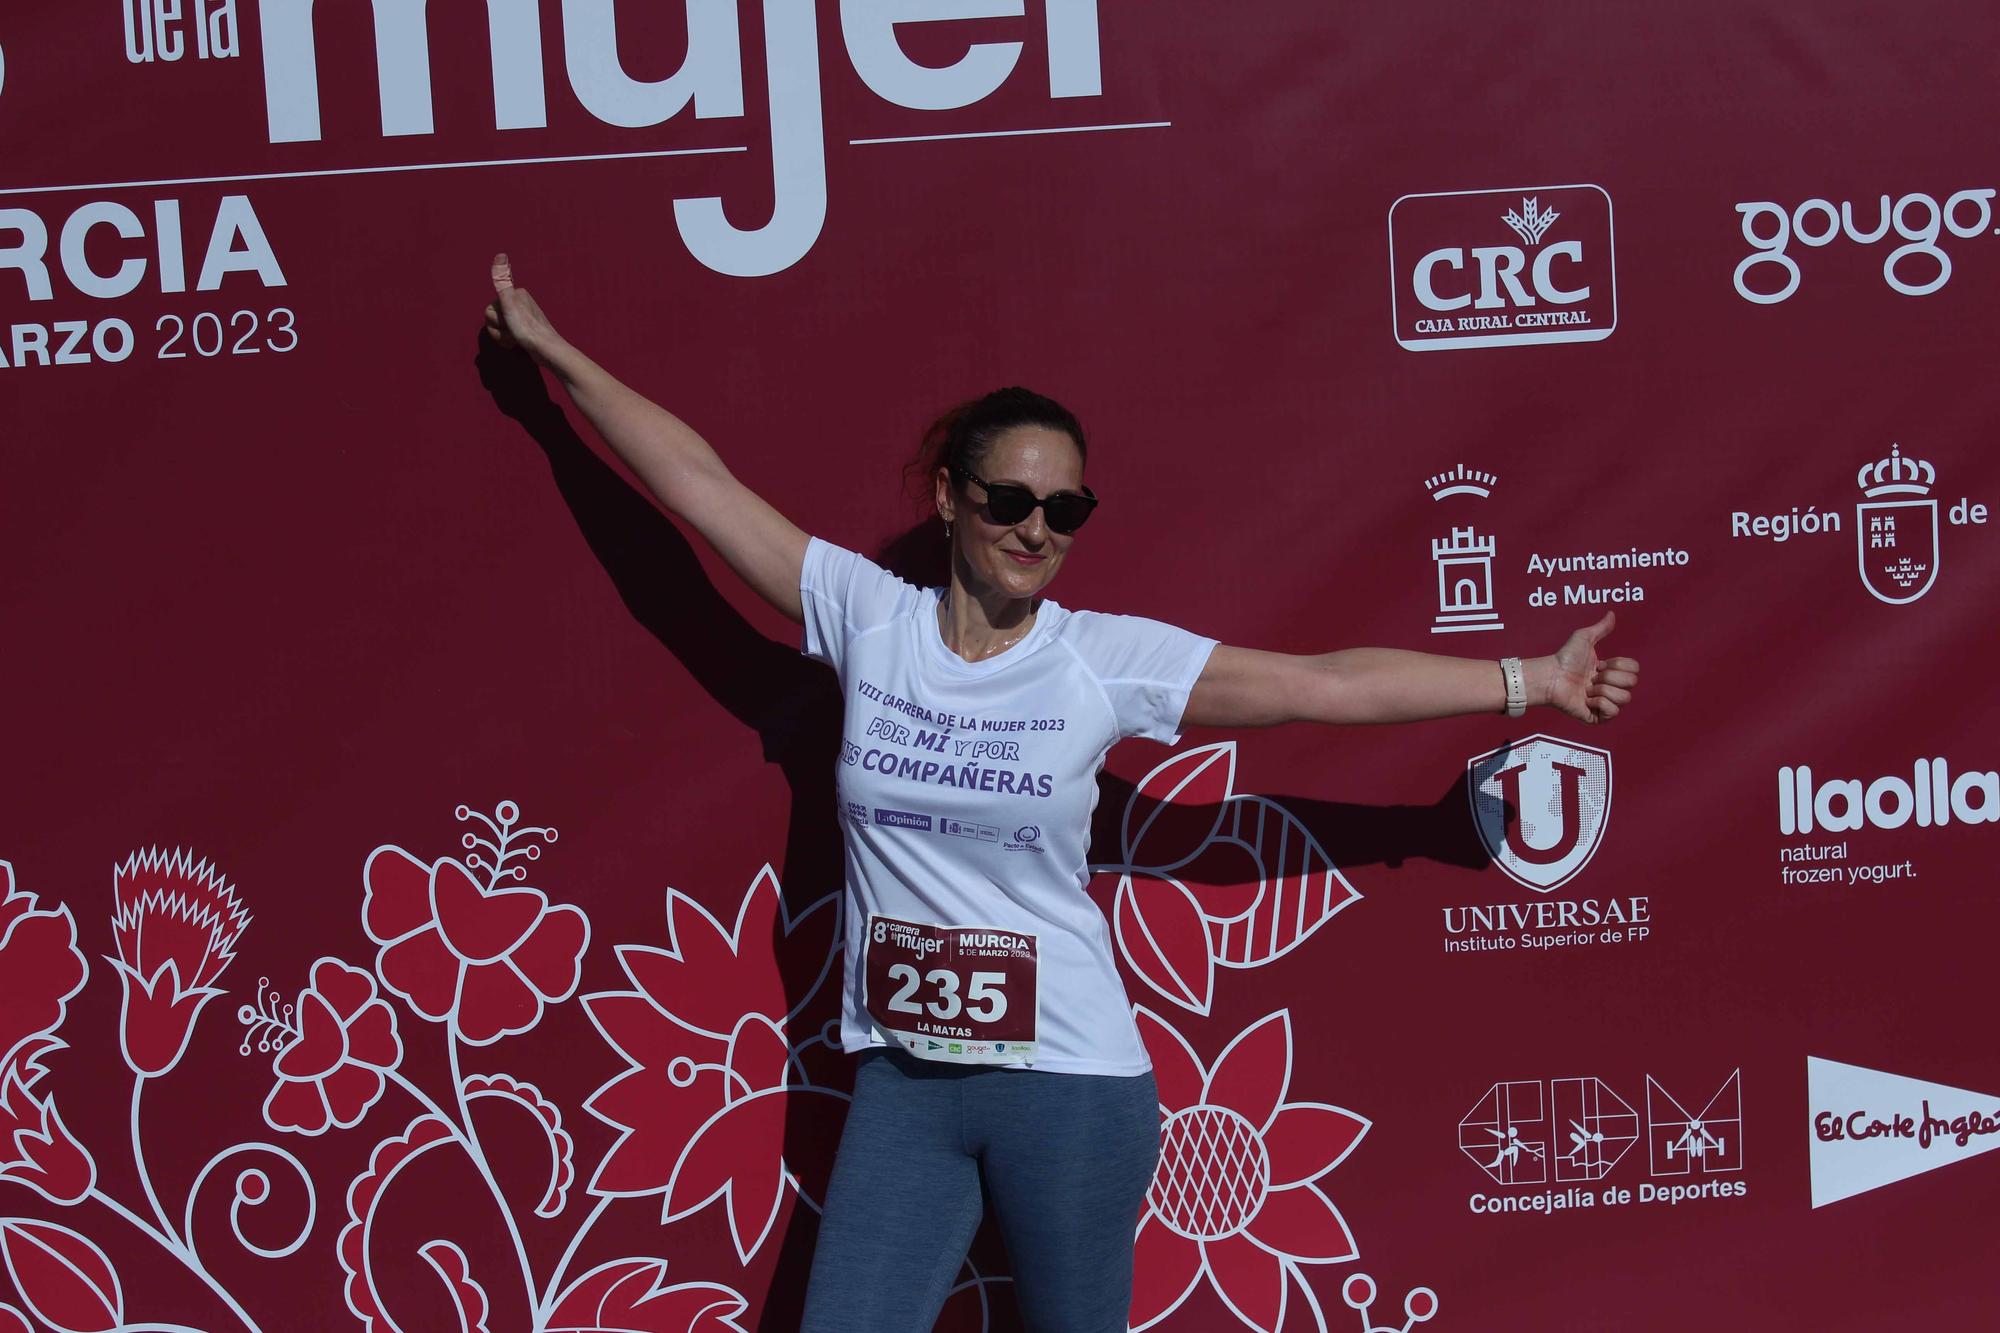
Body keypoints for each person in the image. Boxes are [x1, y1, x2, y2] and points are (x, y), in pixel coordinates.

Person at [481, 254, 1640, 1332]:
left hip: (1071, 1088)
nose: (1036, 530)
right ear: (947, 497)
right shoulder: (865, 616)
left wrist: (1527, 679)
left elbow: (1314, 685)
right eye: (1007, 502)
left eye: (1065, 510)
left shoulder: (1098, 658)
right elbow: (696, 486)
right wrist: (555, 363)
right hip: (905, 1085)